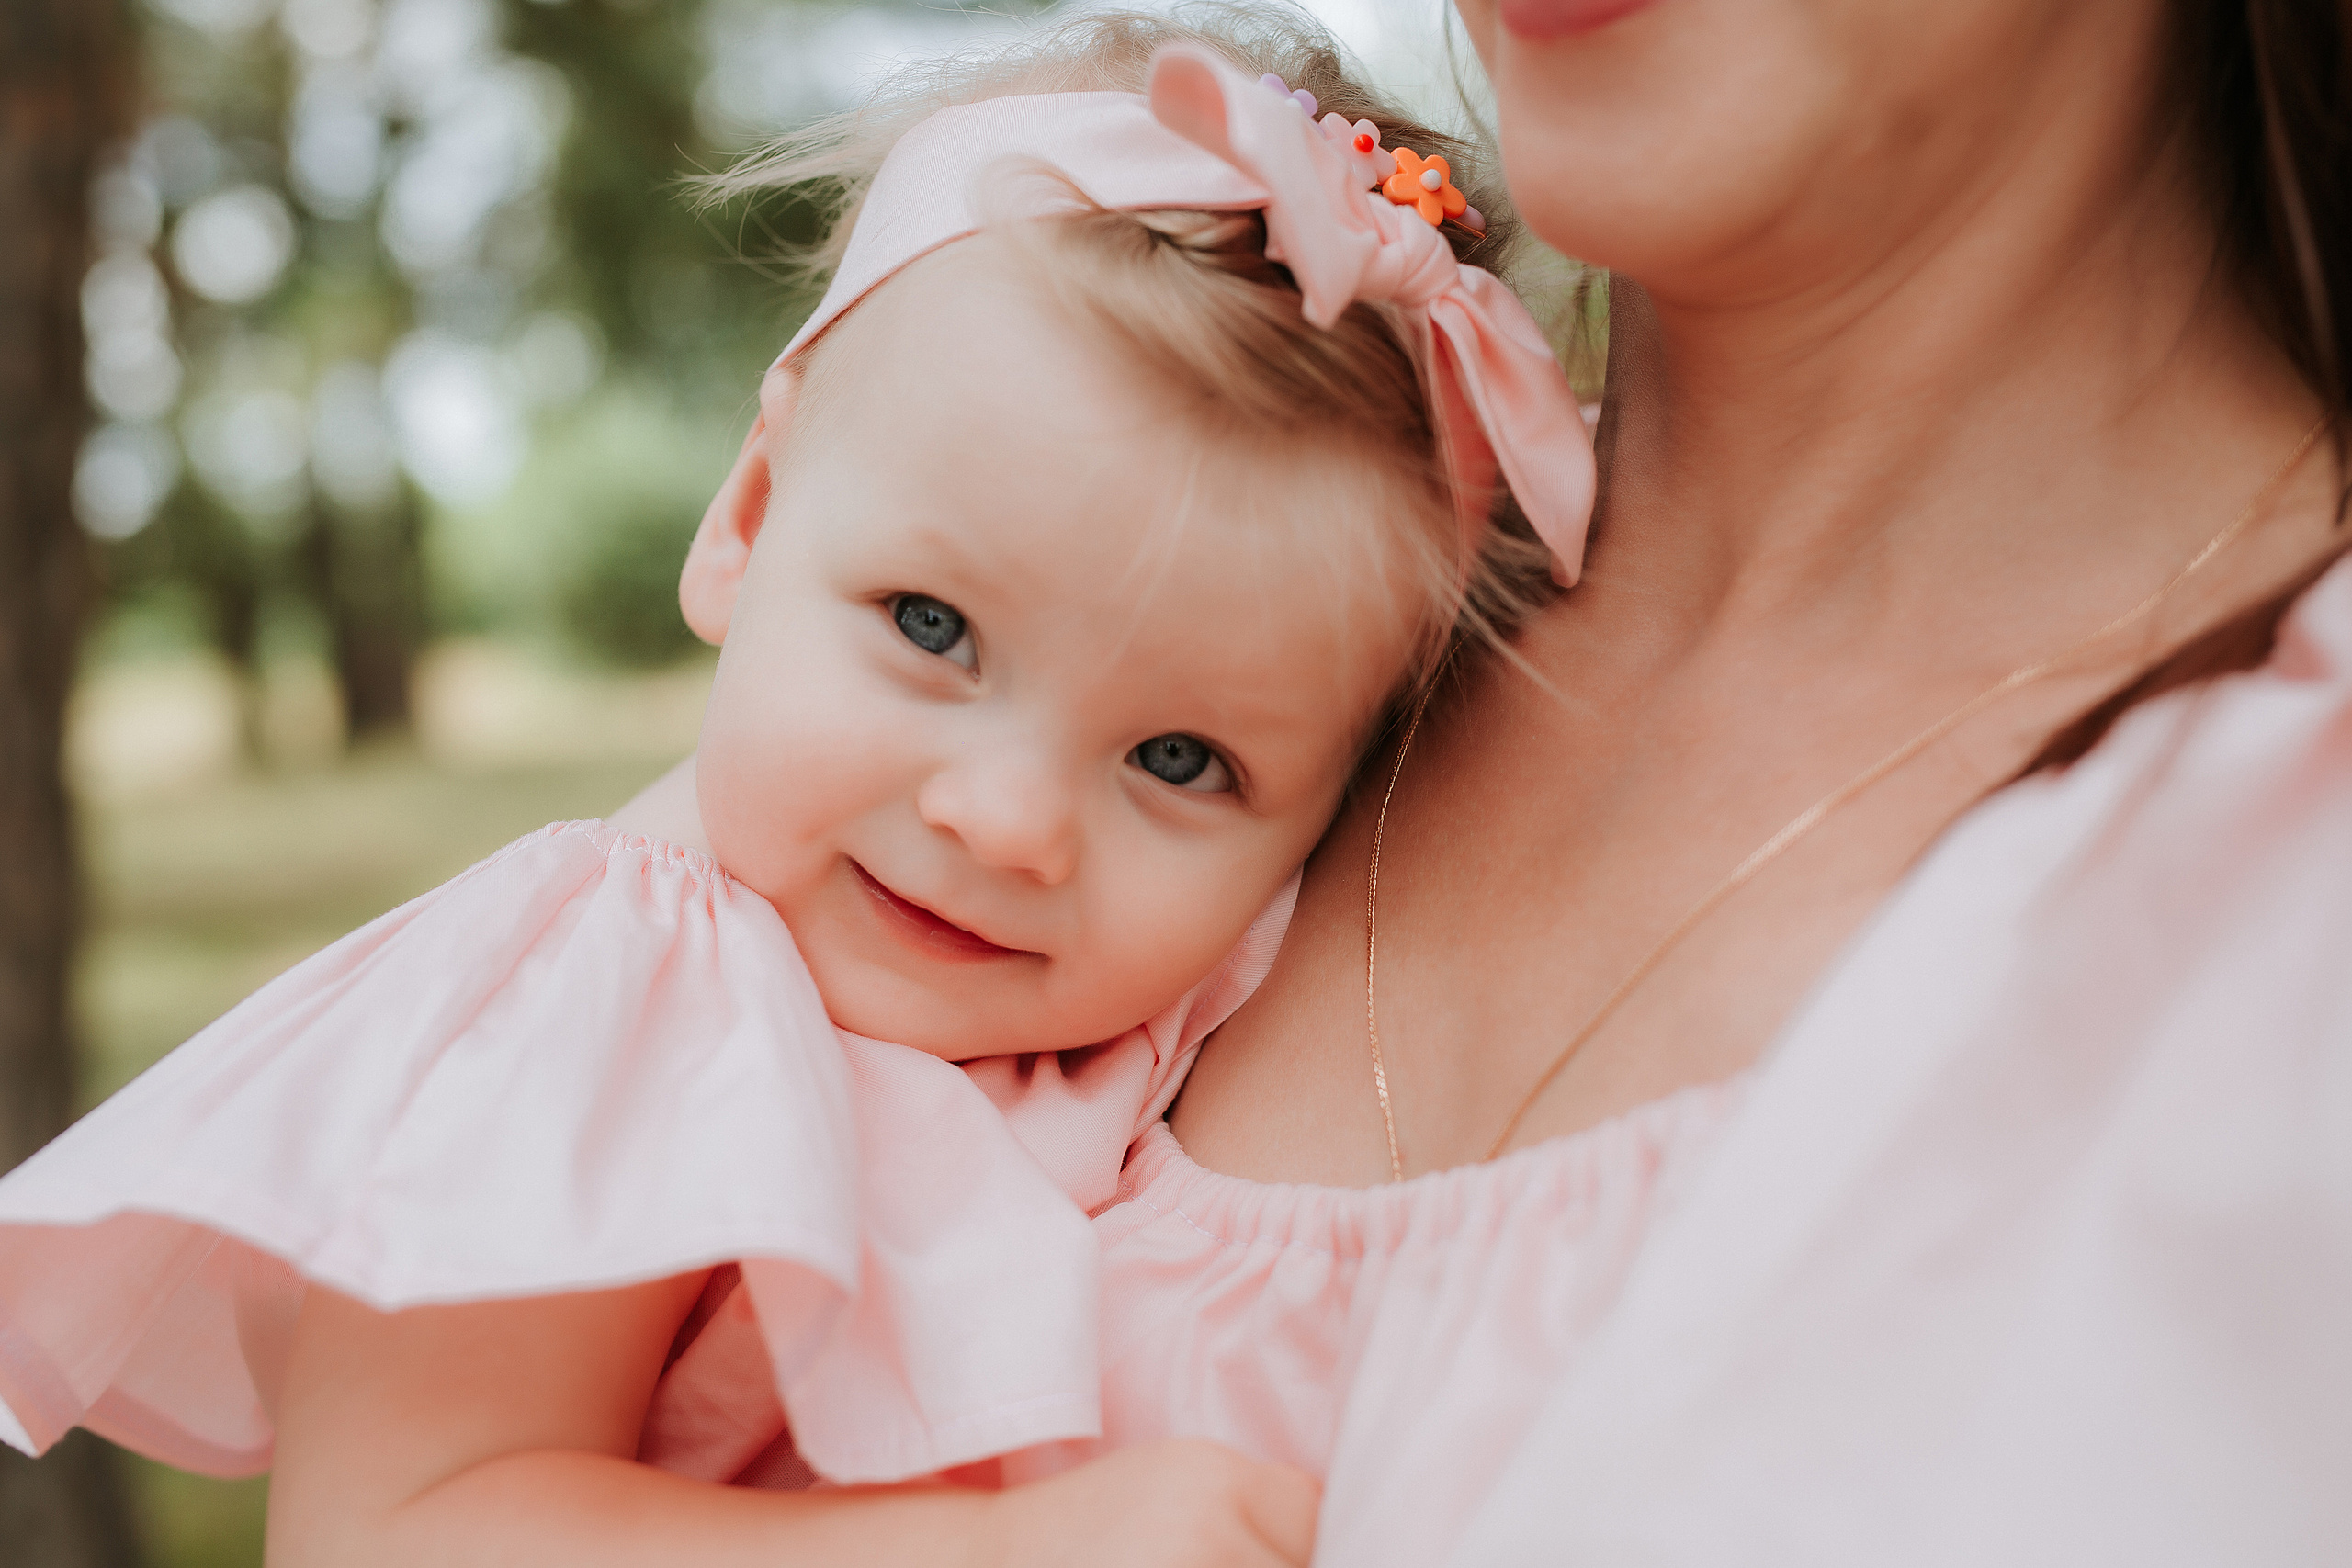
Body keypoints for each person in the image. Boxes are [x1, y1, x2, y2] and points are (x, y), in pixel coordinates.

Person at [0, 17, 1598, 1567]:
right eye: (934, 629)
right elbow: (396, 1530)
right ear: (747, 519)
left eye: (1180, 761)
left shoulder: (1148, 1020)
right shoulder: (628, 987)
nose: (1007, 821)